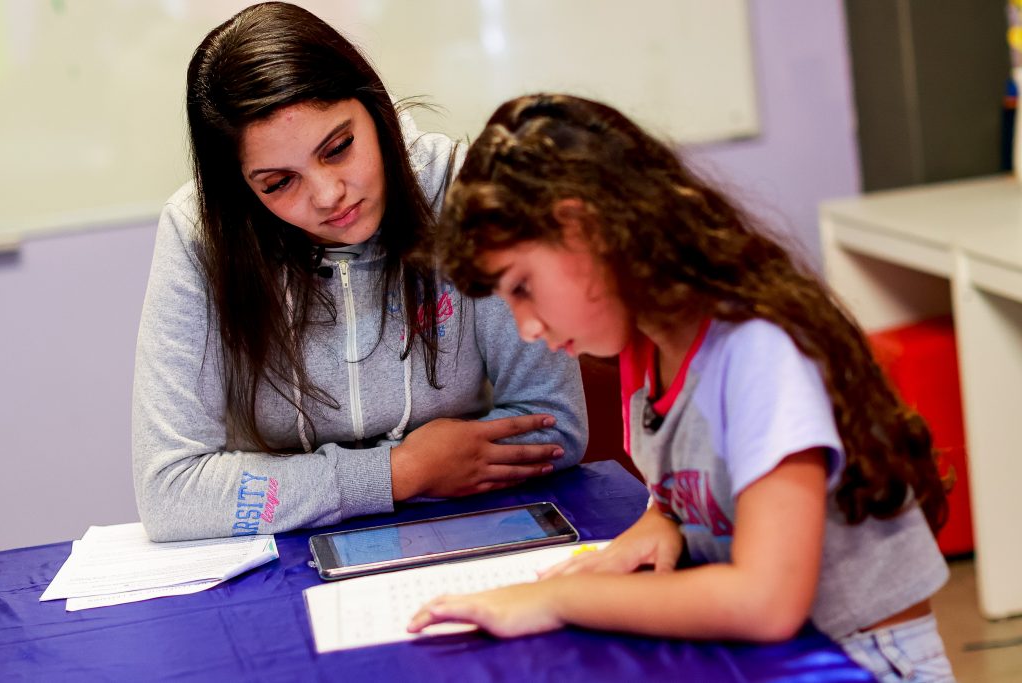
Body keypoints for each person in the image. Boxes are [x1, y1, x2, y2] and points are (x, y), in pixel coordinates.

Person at [409, 94, 955, 682]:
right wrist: (659, 522)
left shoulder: (758, 348)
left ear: (584, 228)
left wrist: (554, 600)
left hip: (864, 659)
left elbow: (767, 602)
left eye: (522, 287)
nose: (527, 328)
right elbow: (688, 489)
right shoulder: (646, 341)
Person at [131, 4, 587, 543]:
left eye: (339, 148)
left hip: (469, 526)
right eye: (279, 183)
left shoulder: (464, 192)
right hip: (286, 557)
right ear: (242, 191)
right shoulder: (199, 233)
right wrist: (401, 472)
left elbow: (553, 425)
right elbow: (171, 494)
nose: (328, 196)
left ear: (376, 110)